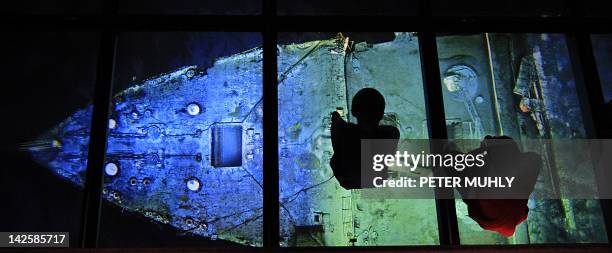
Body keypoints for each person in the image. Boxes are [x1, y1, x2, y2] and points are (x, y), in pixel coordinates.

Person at [330, 88, 399, 189]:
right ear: (381, 114)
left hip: (347, 180)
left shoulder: (344, 132)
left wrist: (336, 117)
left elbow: (337, 121)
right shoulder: (392, 134)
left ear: (353, 112)